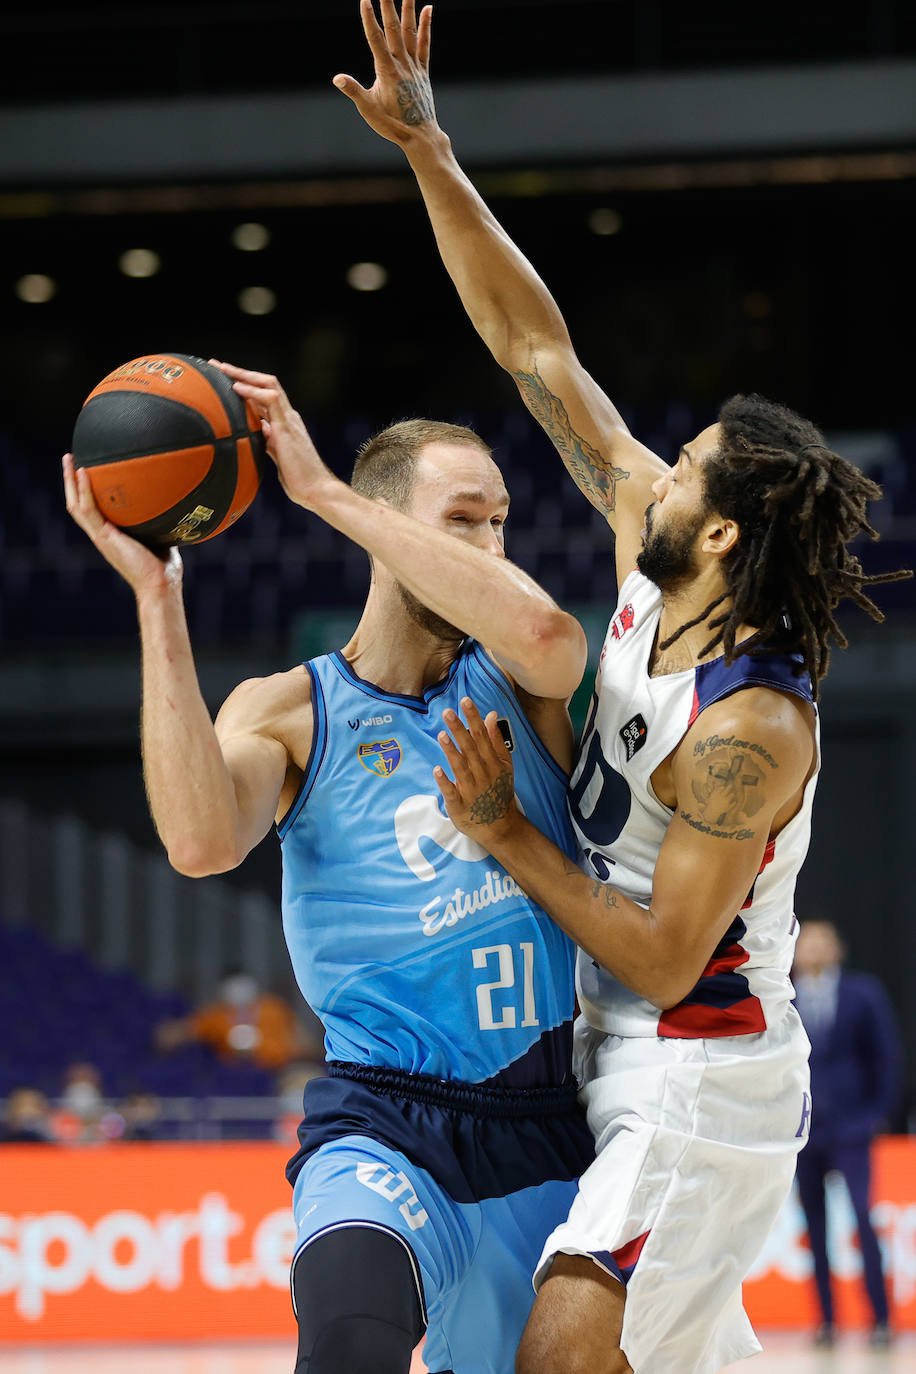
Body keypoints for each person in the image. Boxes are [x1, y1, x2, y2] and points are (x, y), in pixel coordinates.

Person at [333, 5, 912, 1372]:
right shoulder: (657, 551)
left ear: (718, 532)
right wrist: (431, 149)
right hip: (611, 1052)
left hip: (702, 1067)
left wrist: (505, 827)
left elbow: (663, 950)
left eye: (692, 463)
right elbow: (539, 354)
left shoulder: (756, 724)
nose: (659, 463)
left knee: (565, 1347)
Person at [63, 382, 595, 1373]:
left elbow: (550, 640)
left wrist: (324, 496)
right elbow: (199, 841)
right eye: (462, 521)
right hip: (382, 1121)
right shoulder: (285, 710)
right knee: (349, 1344)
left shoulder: (519, 672)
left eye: (499, 523)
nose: (489, 546)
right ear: (389, 530)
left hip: (550, 1129)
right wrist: (158, 601)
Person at [792, 918, 903, 1349]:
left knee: (862, 1215)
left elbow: (886, 1056)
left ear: (837, 948)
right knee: (813, 1225)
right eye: (807, 942)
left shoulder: (863, 993)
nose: (815, 949)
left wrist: (876, 1114)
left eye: (823, 941)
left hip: (853, 1128)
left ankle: (880, 1318)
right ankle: (826, 1321)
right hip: (804, 1133)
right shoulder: (782, 996)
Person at [155, 968, 318, 1073]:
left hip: (275, 1070)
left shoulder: (273, 1008)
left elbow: (305, 1043)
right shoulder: (216, 1015)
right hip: (233, 1075)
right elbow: (178, 1033)